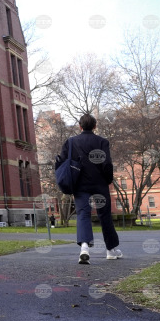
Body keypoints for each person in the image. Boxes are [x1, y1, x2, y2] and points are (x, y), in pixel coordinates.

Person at [61, 113, 121, 264]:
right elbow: (107, 164)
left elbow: (63, 161)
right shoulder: (102, 142)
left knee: (83, 214)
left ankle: (84, 248)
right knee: (105, 215)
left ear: (80, 126)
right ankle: (111, 250)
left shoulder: (71, 142)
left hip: (80, 184)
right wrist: (107, 180)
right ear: (95, 126)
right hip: (100, 183)